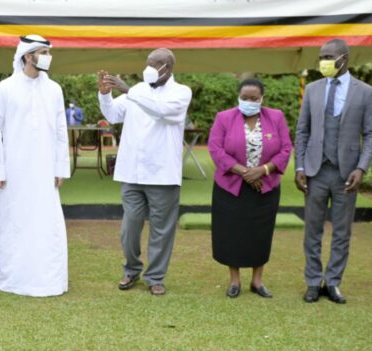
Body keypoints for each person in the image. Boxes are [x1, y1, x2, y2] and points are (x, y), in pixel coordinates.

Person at [97, 48, 192, 296]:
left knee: (161, 229)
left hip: (162, 173)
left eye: (155, 64)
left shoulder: (181, 92)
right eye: (147, 63)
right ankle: (131, 269)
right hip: (131, 172)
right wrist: (105, 95)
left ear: (167, 68)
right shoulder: (137, 90)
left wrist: (129, 91)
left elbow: (161, 111)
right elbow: (112, 114)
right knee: (130, 227)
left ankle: (155, 276)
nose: (149, 68)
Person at [294, 39, 372, 304]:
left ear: (345, 59)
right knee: (312, 230)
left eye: (329, 56)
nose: (324, 61)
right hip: (316, 170)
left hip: (347, 174)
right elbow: (302, 130)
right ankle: (312, 281)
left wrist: (361, 168)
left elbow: (371, 133)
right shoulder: (313, 89)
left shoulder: (364, 91)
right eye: (321, 57)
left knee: (342, 231)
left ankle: (333, 282)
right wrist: (300, 166)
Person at [0, 35, 70, 297]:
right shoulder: (4, 89)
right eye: (43, 52)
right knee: (16, 221)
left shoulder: (54, 89)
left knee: (47, 222)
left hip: (46, 169)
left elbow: (60, 131)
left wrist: (61, 168)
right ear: (27, 55)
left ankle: (49, 279)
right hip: (15, 170)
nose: (48, 56)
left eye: (48, 51)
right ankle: (16, 279)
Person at [208, 78, 292, 298]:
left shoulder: (276, 117)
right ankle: (234, 281)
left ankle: (257, 281)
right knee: (231, 233)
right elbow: (216, 149)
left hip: (265, 187)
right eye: (244, 98)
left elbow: (285, 149)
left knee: (260, 234)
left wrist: (263, 170)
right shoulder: (224, 118)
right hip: (231, 187)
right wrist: (245, 172)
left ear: (262, 98)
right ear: (238, 96)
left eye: (254, 98)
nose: (249, 101)